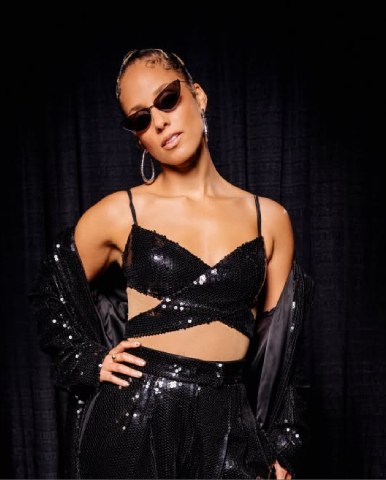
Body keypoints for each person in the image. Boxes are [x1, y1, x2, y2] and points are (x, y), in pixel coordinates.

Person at [31, 48, 313, 479]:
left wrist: (283, 443)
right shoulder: (120, 213)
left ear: (197, 95)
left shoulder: (269, 220)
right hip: (134, 423)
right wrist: (91, 362)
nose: (160, 122)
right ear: (138, 137)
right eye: (141, 119)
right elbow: (51, 290)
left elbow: (285, 353)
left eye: (167, 99)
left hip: (228, 427)